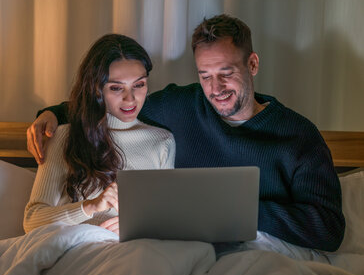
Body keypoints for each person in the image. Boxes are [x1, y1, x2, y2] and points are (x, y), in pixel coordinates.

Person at [27, 14, 345, 252]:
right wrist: (52, 114)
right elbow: (113, 106)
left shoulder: (298, 136)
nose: (215, 89)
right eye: (205, 75)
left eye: (226, 73)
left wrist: (234, 207)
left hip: (264, 255)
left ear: (252, 64)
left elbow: (328, 228)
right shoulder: (183, 106)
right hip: (192, 257)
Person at [23, 34, 175, 235]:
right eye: (116, 88)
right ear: (96, 89)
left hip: (132, 252)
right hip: (77, 250)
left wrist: (138, 226)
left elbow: (167, 218)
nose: (130, 99)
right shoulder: (63, 136)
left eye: (139, 85)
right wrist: (91, 207)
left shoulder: (162, 142)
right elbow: (32, 221)